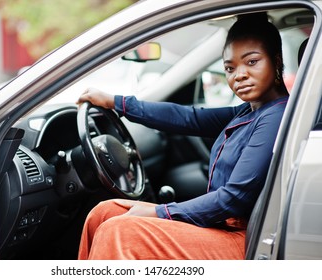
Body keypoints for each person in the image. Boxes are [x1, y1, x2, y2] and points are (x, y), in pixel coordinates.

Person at [76, 13, 289, 260]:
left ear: (276, 62)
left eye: (251, 62)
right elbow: (188, 118)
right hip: (222, 225)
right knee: (105, 213)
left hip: (246, 240)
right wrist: (116, 102)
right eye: (230, 68)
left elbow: (234, 198)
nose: (238, 75)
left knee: (119, 229)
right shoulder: (249, 111)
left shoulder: (276, 115)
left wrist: (161, 213)